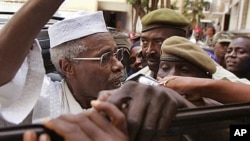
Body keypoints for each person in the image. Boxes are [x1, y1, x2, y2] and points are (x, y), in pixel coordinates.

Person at [127, 8, 190, 80]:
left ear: (181, 44)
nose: (149, 50)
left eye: (159, 42)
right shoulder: (134, 82)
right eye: (145, 41)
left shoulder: (198, 86)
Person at [157, 36, 221, 106]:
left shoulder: (217, 110)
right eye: (165, 68)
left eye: (184, 70)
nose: (171, 76)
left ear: (206, 78)